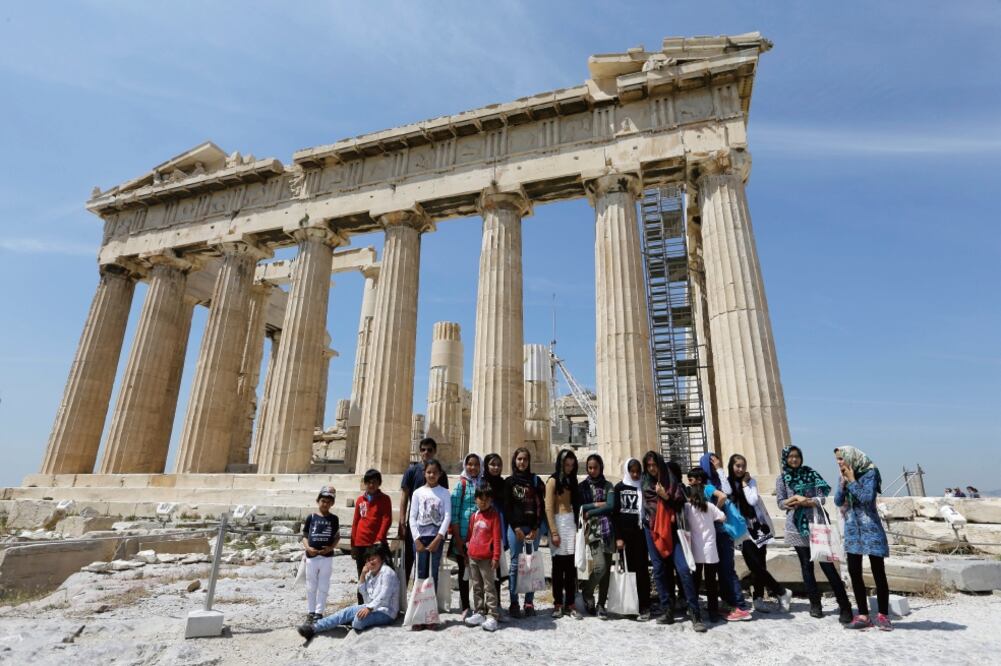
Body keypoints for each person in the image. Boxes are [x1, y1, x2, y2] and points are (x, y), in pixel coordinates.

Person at [776, 445, 852, 623]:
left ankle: (845, 605)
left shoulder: (811, 473)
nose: (794, 460)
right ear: (786, 459)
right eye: (791, 457)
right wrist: (795, 499)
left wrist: (808, 501)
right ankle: (815, 605)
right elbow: (781, 503)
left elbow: (823, 497)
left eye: (797, 456)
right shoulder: (782, 479)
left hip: (816, 522)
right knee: (806, 567)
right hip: (796, 526)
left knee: (827, 565)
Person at [641, 451, 703, 631]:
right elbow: (648, 508)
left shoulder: (670, 481)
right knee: (659, 570)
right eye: (649, 465)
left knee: (683, 569)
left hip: (673, 530)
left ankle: (695, 612)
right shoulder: (646, 483)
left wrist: (665, 495)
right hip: (653, 530)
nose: (652, 469)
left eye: (654, 465)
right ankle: (667, 609)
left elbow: (680, 503)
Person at [834, 446, 892, 631]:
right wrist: (843, 484)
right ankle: (863, 614)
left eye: (841, 458)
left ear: (851, 457)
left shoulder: (870, 473)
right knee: (854, 571)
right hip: (852, 528)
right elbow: (837, 500)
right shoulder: (842, 476)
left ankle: (883, 615)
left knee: (878, 572)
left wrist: (851, 480)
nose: (839, 462)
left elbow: (867, 498)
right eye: (837, 459)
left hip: (870, 527)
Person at [726, 454, 792, 613]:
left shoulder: (750, 481)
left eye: (743, 466)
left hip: (758, 526)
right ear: (731, 466)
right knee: (753, 564)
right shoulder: (727, 484)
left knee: (760, 563)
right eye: (737, 466)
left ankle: (758, 598)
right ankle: (781, 591)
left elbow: (753, 500)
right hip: (742, 529)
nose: (740, 469)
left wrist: (744, 484)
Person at [297, 545, 398, 639]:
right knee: (346, 612)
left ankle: (348, 621)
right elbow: (367, 598)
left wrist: (369, 608)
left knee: (357, 622)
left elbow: (384, 596)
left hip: (386, 612)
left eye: (373, 559)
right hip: (373, 608)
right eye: (368, 560)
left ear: (382, 558)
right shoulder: (371, 574)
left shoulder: (387, 572)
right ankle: (313, 628)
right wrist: (363, 575)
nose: (370, 562)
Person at [399, 437, 450, 586]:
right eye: (423, 449)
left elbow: (443, 501)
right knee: (409, 560)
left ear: (434, 452)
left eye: (429, 449)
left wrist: (442, 532)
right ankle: (406, 599)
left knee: (432, 567)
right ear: (419, 451)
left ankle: (429, 600)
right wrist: (402, 522)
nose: (426, 452)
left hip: (435, 528)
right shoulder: (411, 471)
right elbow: (404, 497)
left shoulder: (442, 474)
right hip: (416, 525)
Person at [408, 458, 451, 630]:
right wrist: (416, 539)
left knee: (433, 576)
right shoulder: (418, 492)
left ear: (440, 474)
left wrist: (439, 538)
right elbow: (412, 517)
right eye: (429, 472)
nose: (432, 475)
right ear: (424, 473)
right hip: (420, 539)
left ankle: (431, 615)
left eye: (435, 472)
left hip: (436, 539)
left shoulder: (444, 493)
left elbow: (447, 516)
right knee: (420, 576)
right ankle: (418, 616)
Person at [504, 446, 546, 618]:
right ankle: (514, 602)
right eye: (519, 459)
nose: (522, 462)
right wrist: (515, 528)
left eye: (525, 459)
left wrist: (536, 528)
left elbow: (540, 506)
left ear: (529, 462)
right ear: (515, 460)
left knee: (531, 565)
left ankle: (529, 602)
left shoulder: (535, 481)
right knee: (514, 565)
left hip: (532, 529)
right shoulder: (509, 482)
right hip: (516, 529)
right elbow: (507, 507)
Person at [684, 467, 727, 625]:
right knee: (711, 583)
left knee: (695, 581)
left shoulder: (688, 507)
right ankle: (713, 612)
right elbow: (722, 517)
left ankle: (694, 609)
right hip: (710, 549)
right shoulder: (709, 506)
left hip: (695, 548)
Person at [545, 449, 582, 620]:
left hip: (571, 523)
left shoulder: (572, 480)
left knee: (570, 567)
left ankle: (571, 603)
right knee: (558, 567)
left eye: (572, 465)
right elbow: (548, 508)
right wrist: (553, 532)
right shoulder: (552, 481)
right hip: (558, 523)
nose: (569, 467)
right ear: (560, 463)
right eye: (566, 464)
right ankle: (558, 603)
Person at [613, 458, 651, 621]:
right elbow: (615, 514)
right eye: (632, 471)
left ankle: (644, 606)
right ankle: (630, 604)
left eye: (638, 471)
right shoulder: (619, 488)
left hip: (641, 534)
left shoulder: (644, 486)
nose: (635, 474)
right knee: (628, 570)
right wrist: (619, 537)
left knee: (642, 570)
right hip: (625, 536)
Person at [580, 453, 616, 619]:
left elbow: (611, 506)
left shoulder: (608, 485)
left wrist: (592, 510)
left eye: (595, 467)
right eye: (590, 467)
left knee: (606, 571)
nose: (593, 470)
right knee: (600, 567)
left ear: (601, 467)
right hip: (593, 532)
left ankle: (601, 604)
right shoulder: (583, 487)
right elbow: (581, 507)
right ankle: (587, 591)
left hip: (608, 531)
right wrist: (597, 504)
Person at [350, 469, 393, 604]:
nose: (371, 485)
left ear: (379, 483)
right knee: (362, 574)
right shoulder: (360, 500)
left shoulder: (385, 499)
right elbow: (356, 522)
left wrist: (379, 538)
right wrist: (353, 544)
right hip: (360, 542)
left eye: (374, 482)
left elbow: (387, 519)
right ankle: (361, 604)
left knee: (380, 574)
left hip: (376, 543)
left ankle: (379, 603)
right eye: (368, 482)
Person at [464, 485, 503, 632]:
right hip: (473, 556)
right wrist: (467, 554)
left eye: (487, 499)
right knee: (477, 586)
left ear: (491, 500)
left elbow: (497, 538)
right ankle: (479, 611)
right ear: (476, 499)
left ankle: (492, 615)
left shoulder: (494, 516)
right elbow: (470, 536)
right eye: (481, 498)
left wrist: (496, 557)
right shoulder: (474, 516)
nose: (484, 502)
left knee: (489, 587)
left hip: (487, 558)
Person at [301, 486, 340, 624]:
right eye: (323, 501)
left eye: (329, 502)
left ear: (332, 504)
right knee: (311, 585)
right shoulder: (311, 517)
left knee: (324, 585)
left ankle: (319, 612)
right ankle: (310, 612)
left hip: (326, 557)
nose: (325, 504)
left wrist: (330, 548)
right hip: (311, 556)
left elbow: (337, 537)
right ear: (318, 501)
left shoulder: (334, 519)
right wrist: (308, 548)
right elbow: (304, 536)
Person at [450, 453, 482, 619]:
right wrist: (458, 538)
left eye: (476, 464)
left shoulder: (483, 484)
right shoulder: (460, 485)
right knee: (464, 571)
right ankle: (464, 605)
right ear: (465, 465)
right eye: (469, 464)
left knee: (479, 572)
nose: (473, 467)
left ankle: (479, 606)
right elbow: (454, 513)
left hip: (480, 535)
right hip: (462, 534)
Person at [482, 453, 508, 600]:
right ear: (486, 465)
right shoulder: (482, 483)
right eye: (492, 464)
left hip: (499, 523)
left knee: (496, 564)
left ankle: (495, 604)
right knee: (484, 567)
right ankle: (484, 604)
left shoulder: (503, 483)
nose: (496, 467)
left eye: (498, 465)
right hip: (485, 525)